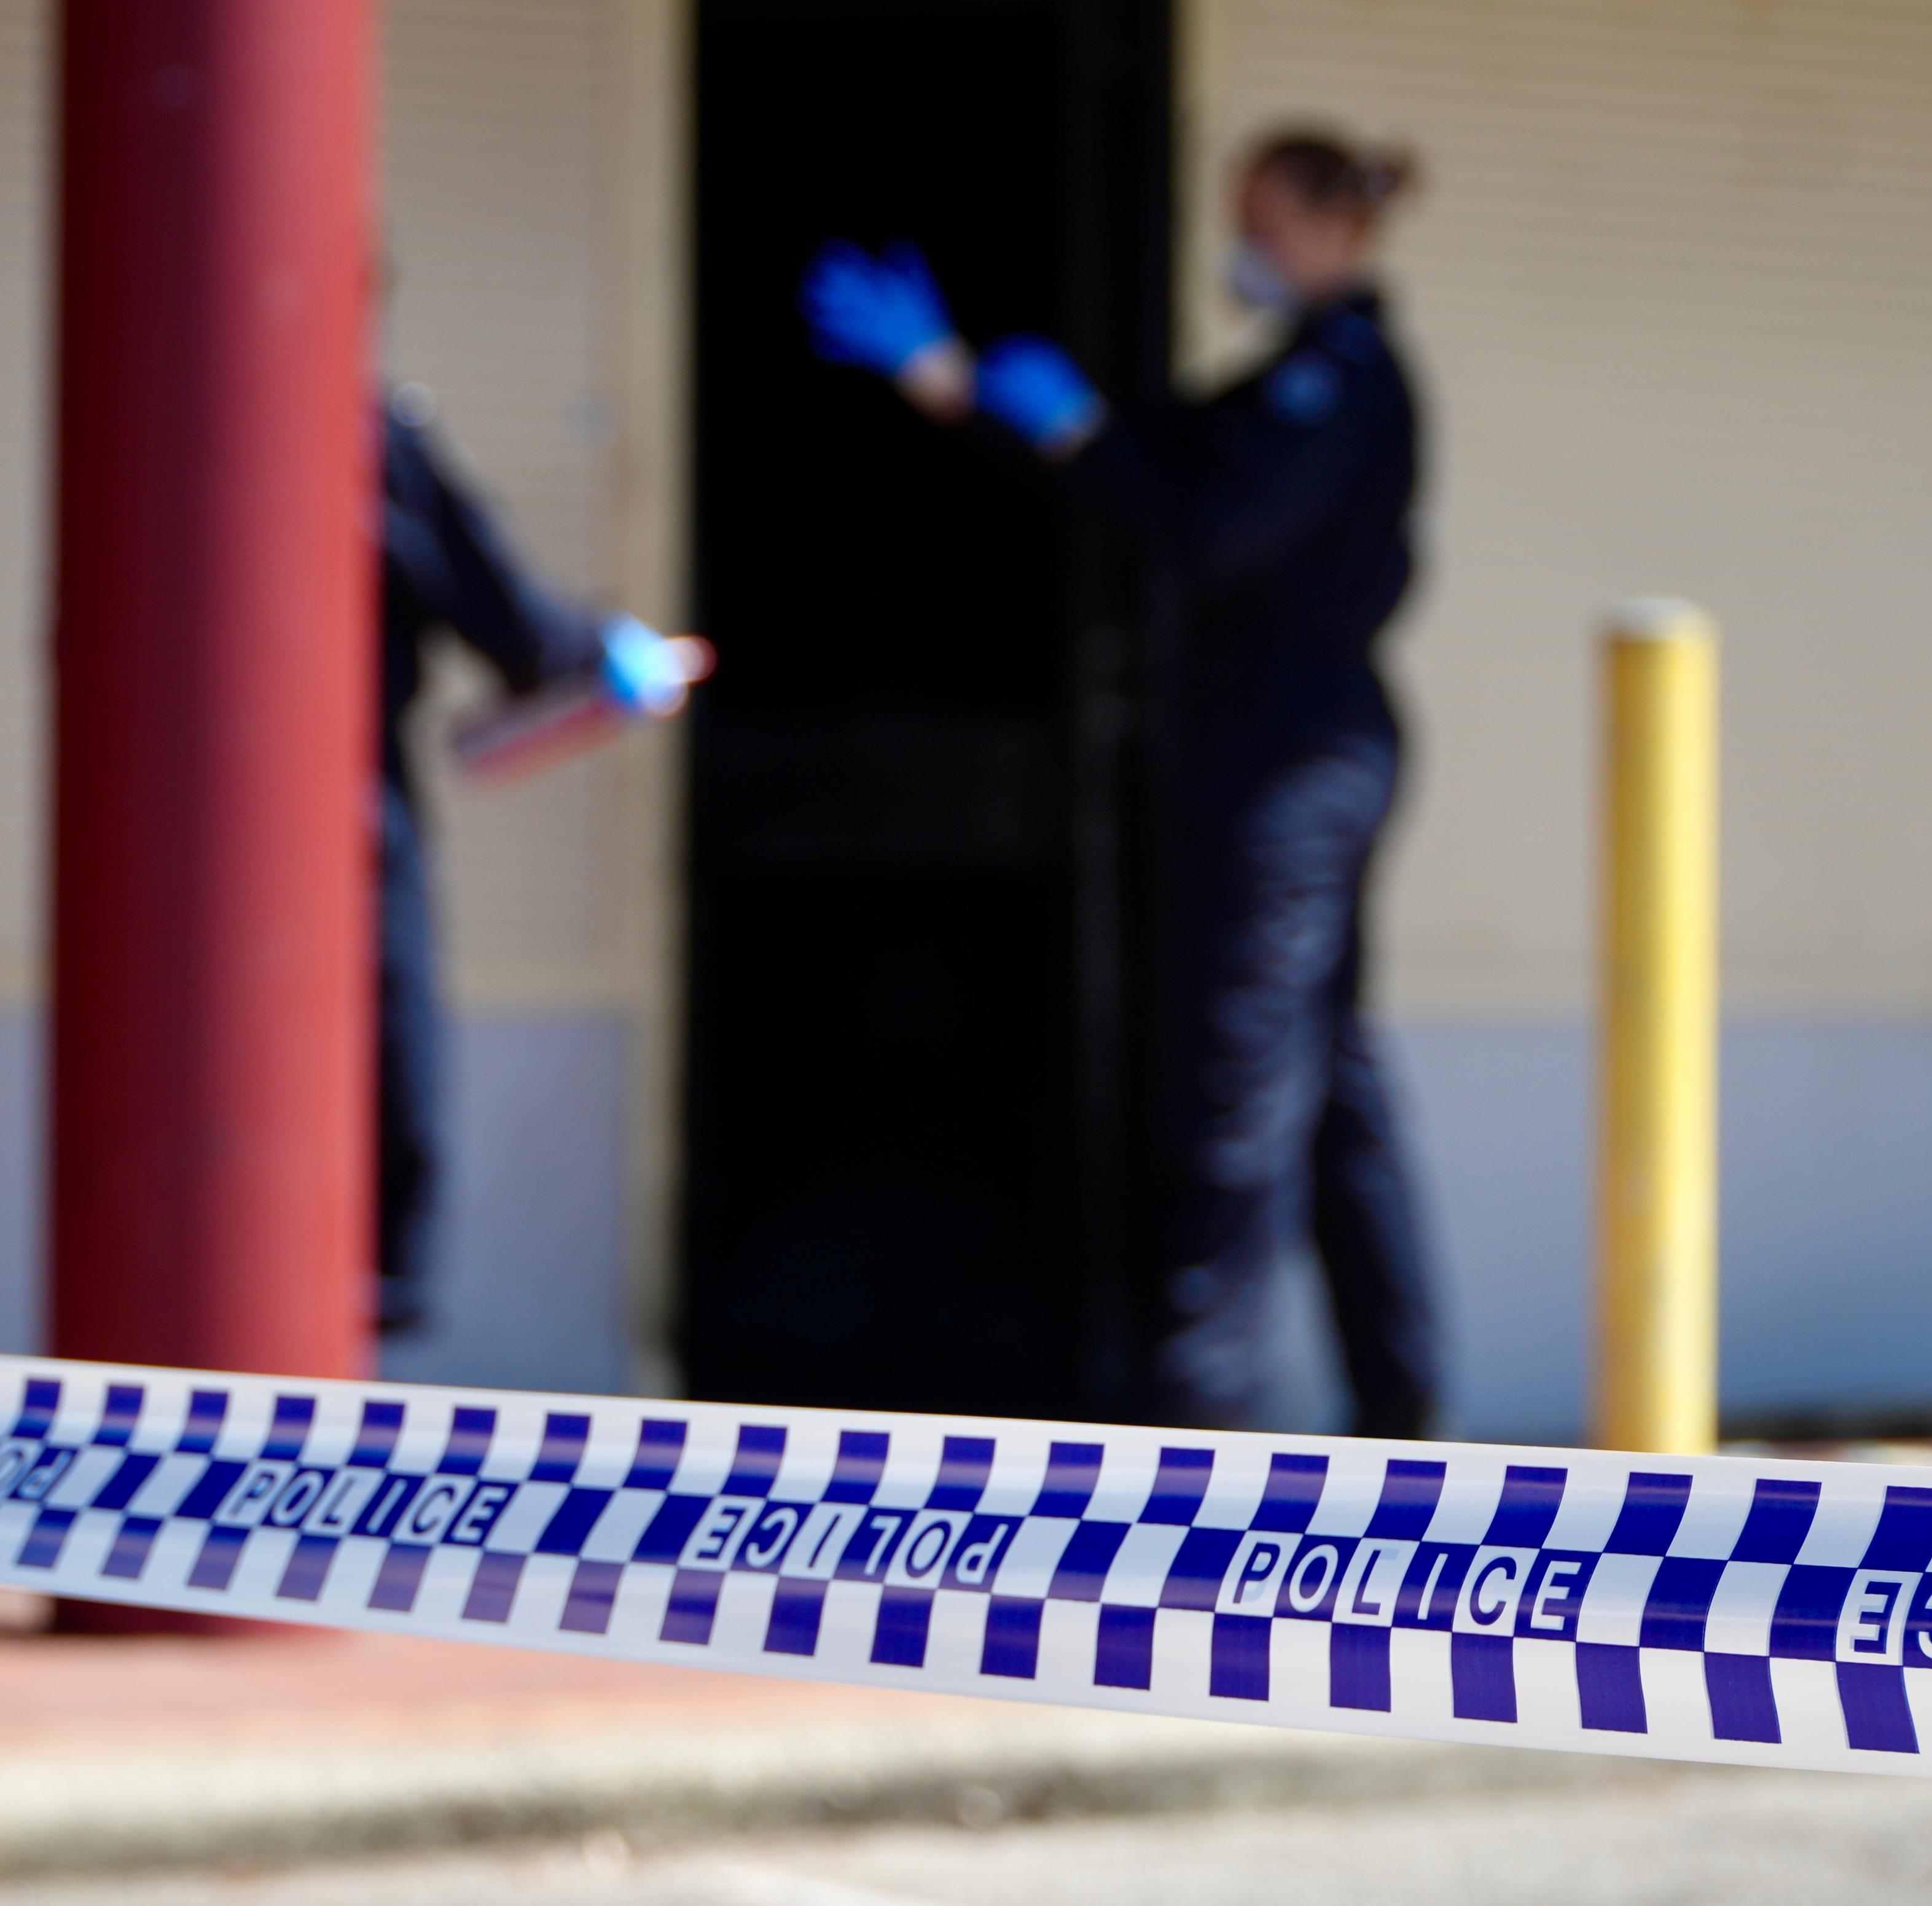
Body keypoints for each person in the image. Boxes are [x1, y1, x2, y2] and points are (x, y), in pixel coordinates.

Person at [799, 132, 1440, 1438]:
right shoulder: (1281, 387)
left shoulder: (1341, 382)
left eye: (1259, 224)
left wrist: (1076, 428)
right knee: (1328, 1079)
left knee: (1239, 1080)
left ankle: (1199, 1432)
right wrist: (958, 388)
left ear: (1329, 229)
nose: (1241, 251)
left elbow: (1199, 520)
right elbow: (1138, 458)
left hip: (1294, 760)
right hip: (1291, 749)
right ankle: (1402, 1405)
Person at [374, 386, 692, 1334]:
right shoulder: (360, 430)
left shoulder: (141, 410)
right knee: (376, 1026)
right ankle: (377, 1268)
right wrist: (604, 650)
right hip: (331, 808)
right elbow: (511, 622)